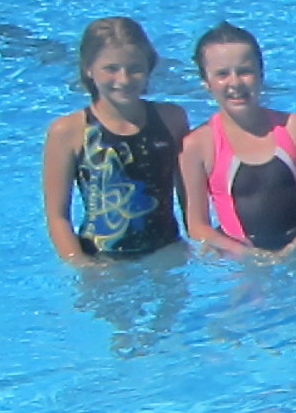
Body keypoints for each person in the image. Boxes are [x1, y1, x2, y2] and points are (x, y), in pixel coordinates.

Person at [180, 23, 296, 257]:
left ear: (261, 74)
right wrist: (247, 255)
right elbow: (197, 225)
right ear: (206, 81)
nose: (235, 83)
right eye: (222, 74)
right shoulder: (198, 145)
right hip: (243, 263)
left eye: (245, 71)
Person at [42, 18, 190, 262]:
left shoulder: (171, 119)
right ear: (89, 68)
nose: (123, 79)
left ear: (149, 67)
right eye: (110, 68)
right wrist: (81, 264)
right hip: (101, 259)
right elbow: (57, 216)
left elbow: (188, 195)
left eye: (135, 68)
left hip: (167, 253)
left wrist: (195, 241)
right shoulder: (68, 131)